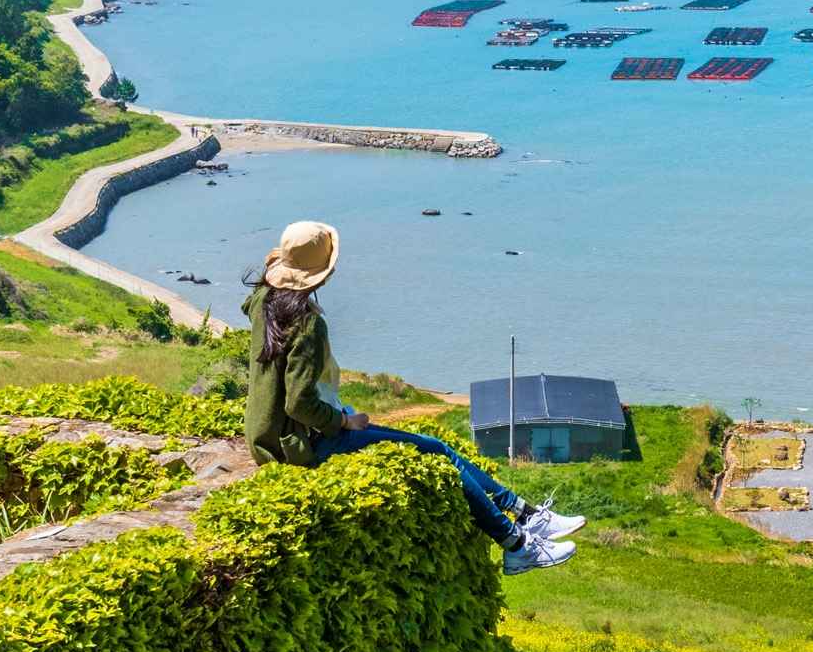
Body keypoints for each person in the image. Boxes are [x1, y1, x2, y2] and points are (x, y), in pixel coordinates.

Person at [241, 219, 581, 574]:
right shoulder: (307, 324)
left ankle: (525, 516)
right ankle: (517, 542)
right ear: (321, 273)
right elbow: (298, 403)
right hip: (301, 443)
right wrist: (344, 421)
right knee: (435, 449)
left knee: (432, 446)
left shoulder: (264, 301)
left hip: (267, 437)